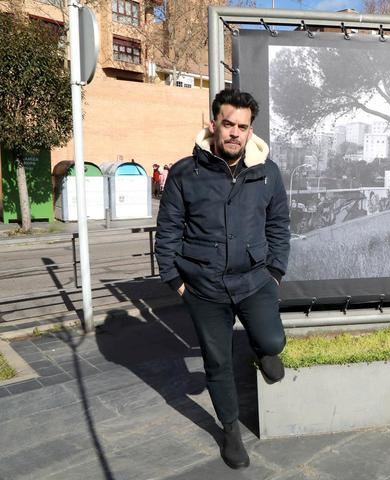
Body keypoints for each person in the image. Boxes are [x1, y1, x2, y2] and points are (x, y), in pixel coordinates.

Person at [155, 89, 290, 470]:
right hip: (204, 287)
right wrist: (175, 281)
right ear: (213, 124)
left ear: (251, 131)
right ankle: (230, 432)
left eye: (242, 127)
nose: (234, 132)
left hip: (254, 280)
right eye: (227, 124)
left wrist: (275, 271)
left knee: (273, 339)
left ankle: (265, 351)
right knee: (218, 363)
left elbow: (279, 224)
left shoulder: (268, 172)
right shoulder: (185, 173)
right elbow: (167, 231)